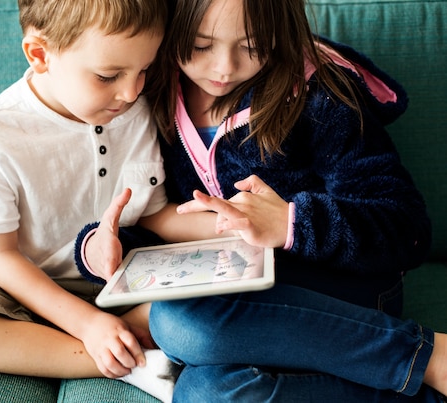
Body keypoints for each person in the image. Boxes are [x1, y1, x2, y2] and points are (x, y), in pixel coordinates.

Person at [79, 0, 447, 401]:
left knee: (179, 322)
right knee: (204, 393)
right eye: (201, 46)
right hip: (240, 306)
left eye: (252, 46)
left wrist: (291, 224)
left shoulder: (319, 95)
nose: (224, 67)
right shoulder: (148, 91)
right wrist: (104, 247)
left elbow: (408, 231)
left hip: (347, 296)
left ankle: (424, 357)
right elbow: (160, 218)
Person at [0, 1, 215, 401]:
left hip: (126, 286)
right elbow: (2, 257)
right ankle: (129, 361)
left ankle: (122, 341)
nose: (131, 91)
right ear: (40, 55)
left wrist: (226, 227)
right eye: (108, 76)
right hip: (30, 295)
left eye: (143, 70)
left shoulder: (134, 108)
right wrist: (89, 325)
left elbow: (156, 213)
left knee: (213, 290)